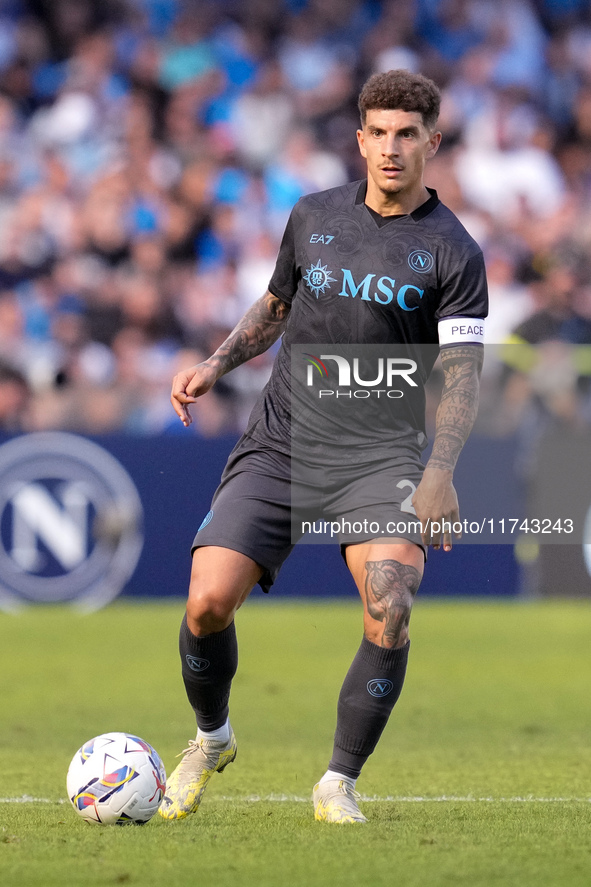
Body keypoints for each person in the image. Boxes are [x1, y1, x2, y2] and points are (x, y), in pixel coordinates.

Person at [160, 69, 488, 824]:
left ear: (432, 143)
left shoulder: (453, 252)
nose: (391, 147)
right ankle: (211, 739)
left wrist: (440, 473)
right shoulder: (312, 215)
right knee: (207, 602)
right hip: (282, 443)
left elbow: (463, 376)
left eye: (408, 134)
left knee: (390, 606)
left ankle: (337, 779)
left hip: (379, 458)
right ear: (360, 138)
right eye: (378, 132)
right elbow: (276, 304)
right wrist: (214, 364)